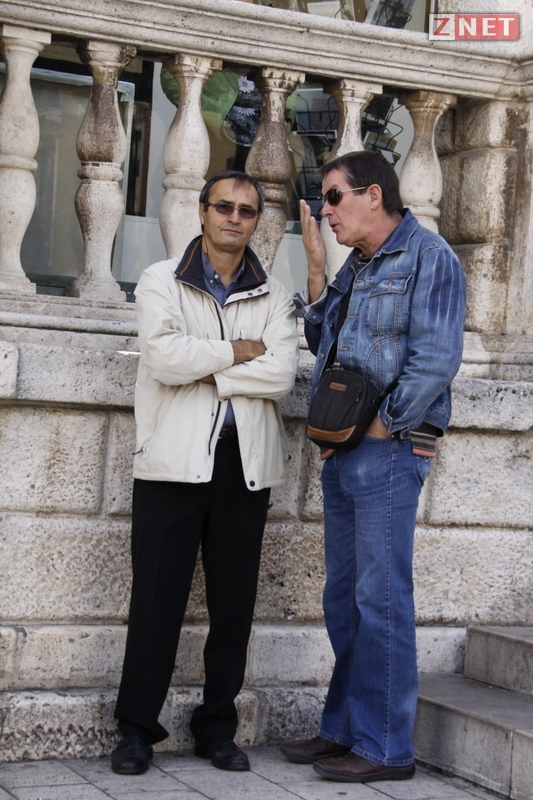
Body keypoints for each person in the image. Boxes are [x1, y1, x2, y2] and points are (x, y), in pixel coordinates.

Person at [280, 150, 466, 783]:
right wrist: (315, 268)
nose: (325, 210)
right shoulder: (358, 264)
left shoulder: (429, 257)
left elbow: (436, 360)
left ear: (374, 195)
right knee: (345, 597)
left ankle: (386, 747)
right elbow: (322, 342)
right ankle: (344, 729)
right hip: (348, 447)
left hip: (389, 446)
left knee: (380, 596)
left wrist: (379, 427)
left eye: (334, 196)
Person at [111, 170, 299, 776]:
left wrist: (207, 368)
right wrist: (239, 351)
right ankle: (136, 731)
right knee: (155, 603)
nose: (234, 218)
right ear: (201, 212)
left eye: (246, 210)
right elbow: (164, 358)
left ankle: (217, 729)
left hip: (244, 469)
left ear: (256, 222)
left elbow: (282, 375)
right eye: (224, 207)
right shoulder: (159, 279)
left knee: (233, 608)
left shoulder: (275, 293)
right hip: (172, 464)